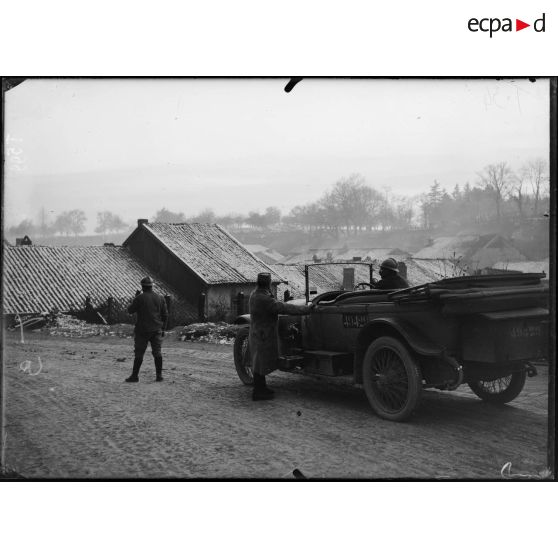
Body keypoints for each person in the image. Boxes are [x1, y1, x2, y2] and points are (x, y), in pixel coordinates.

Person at [249, 272, 311, 401]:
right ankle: (258, 392)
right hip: (263, 334)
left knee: (259, 362)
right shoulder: (263, 298)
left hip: (258, 332)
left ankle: (262, 388)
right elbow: (282, 307)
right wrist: (306, 309)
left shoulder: (256, 294)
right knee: (260, 362)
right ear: (268, 283)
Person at [125, 276, 168, 383]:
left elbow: (130, 310)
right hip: (156, 329)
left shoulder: (139, 298)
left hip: (142, 330)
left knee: (139, 353)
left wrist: (135, 298)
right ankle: (159, 376)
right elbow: (165, 315)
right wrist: (163, 329)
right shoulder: (160, 298)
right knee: (157, 353)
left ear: (142, 287)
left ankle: (135, 376)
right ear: (152, 286)